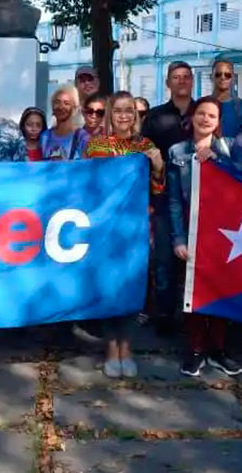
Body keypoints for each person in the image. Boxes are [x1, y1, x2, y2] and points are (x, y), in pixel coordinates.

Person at [85, 92, 166, 378]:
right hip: (105, 229)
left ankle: (126, 348)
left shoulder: (145, 146)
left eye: (129, 110)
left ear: (136, 114)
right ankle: (110, 348)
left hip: (136, 229)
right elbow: (85, 187)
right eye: (118, 110)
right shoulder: (96, 146)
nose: (123, 116)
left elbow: (157, 191)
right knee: (109, 288)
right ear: (110, 114)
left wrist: (157, 166)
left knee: (132, 287)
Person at [168, 97, 242, 378]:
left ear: (218, 121)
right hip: (192, 226)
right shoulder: (177, 151)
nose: (205, 119)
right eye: (201, 113)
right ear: (193, 116)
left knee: (220, 290)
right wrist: (178, 239)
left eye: (212, 115)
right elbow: (175, 199)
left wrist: (219, 161)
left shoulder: (229, 148)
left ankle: (219, 349)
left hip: (225, 232)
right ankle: (197, 348)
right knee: (193, 290)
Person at [142, 61, 195, 332]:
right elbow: (143, 157)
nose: (182, 81)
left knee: (195, 264)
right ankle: (163, 317)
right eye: (176, 77)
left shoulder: (204, 111)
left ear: (193, 81)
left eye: (186, 77)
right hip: (163, 197)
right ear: (168, 83)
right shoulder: (155, 117)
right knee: (164, 260)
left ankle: (194, 319)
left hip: (200, 200)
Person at [41, 85, 90, 160]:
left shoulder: (82, 137)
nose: (61, 107)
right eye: (57, 102)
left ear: (74, 109)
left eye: (66, 103)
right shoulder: (45, 136)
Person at [210, 58, 242, 138]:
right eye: (218, 74)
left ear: (233, 78)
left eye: (227, 75)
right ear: (211, 77)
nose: (223, 78)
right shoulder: (201, 104)